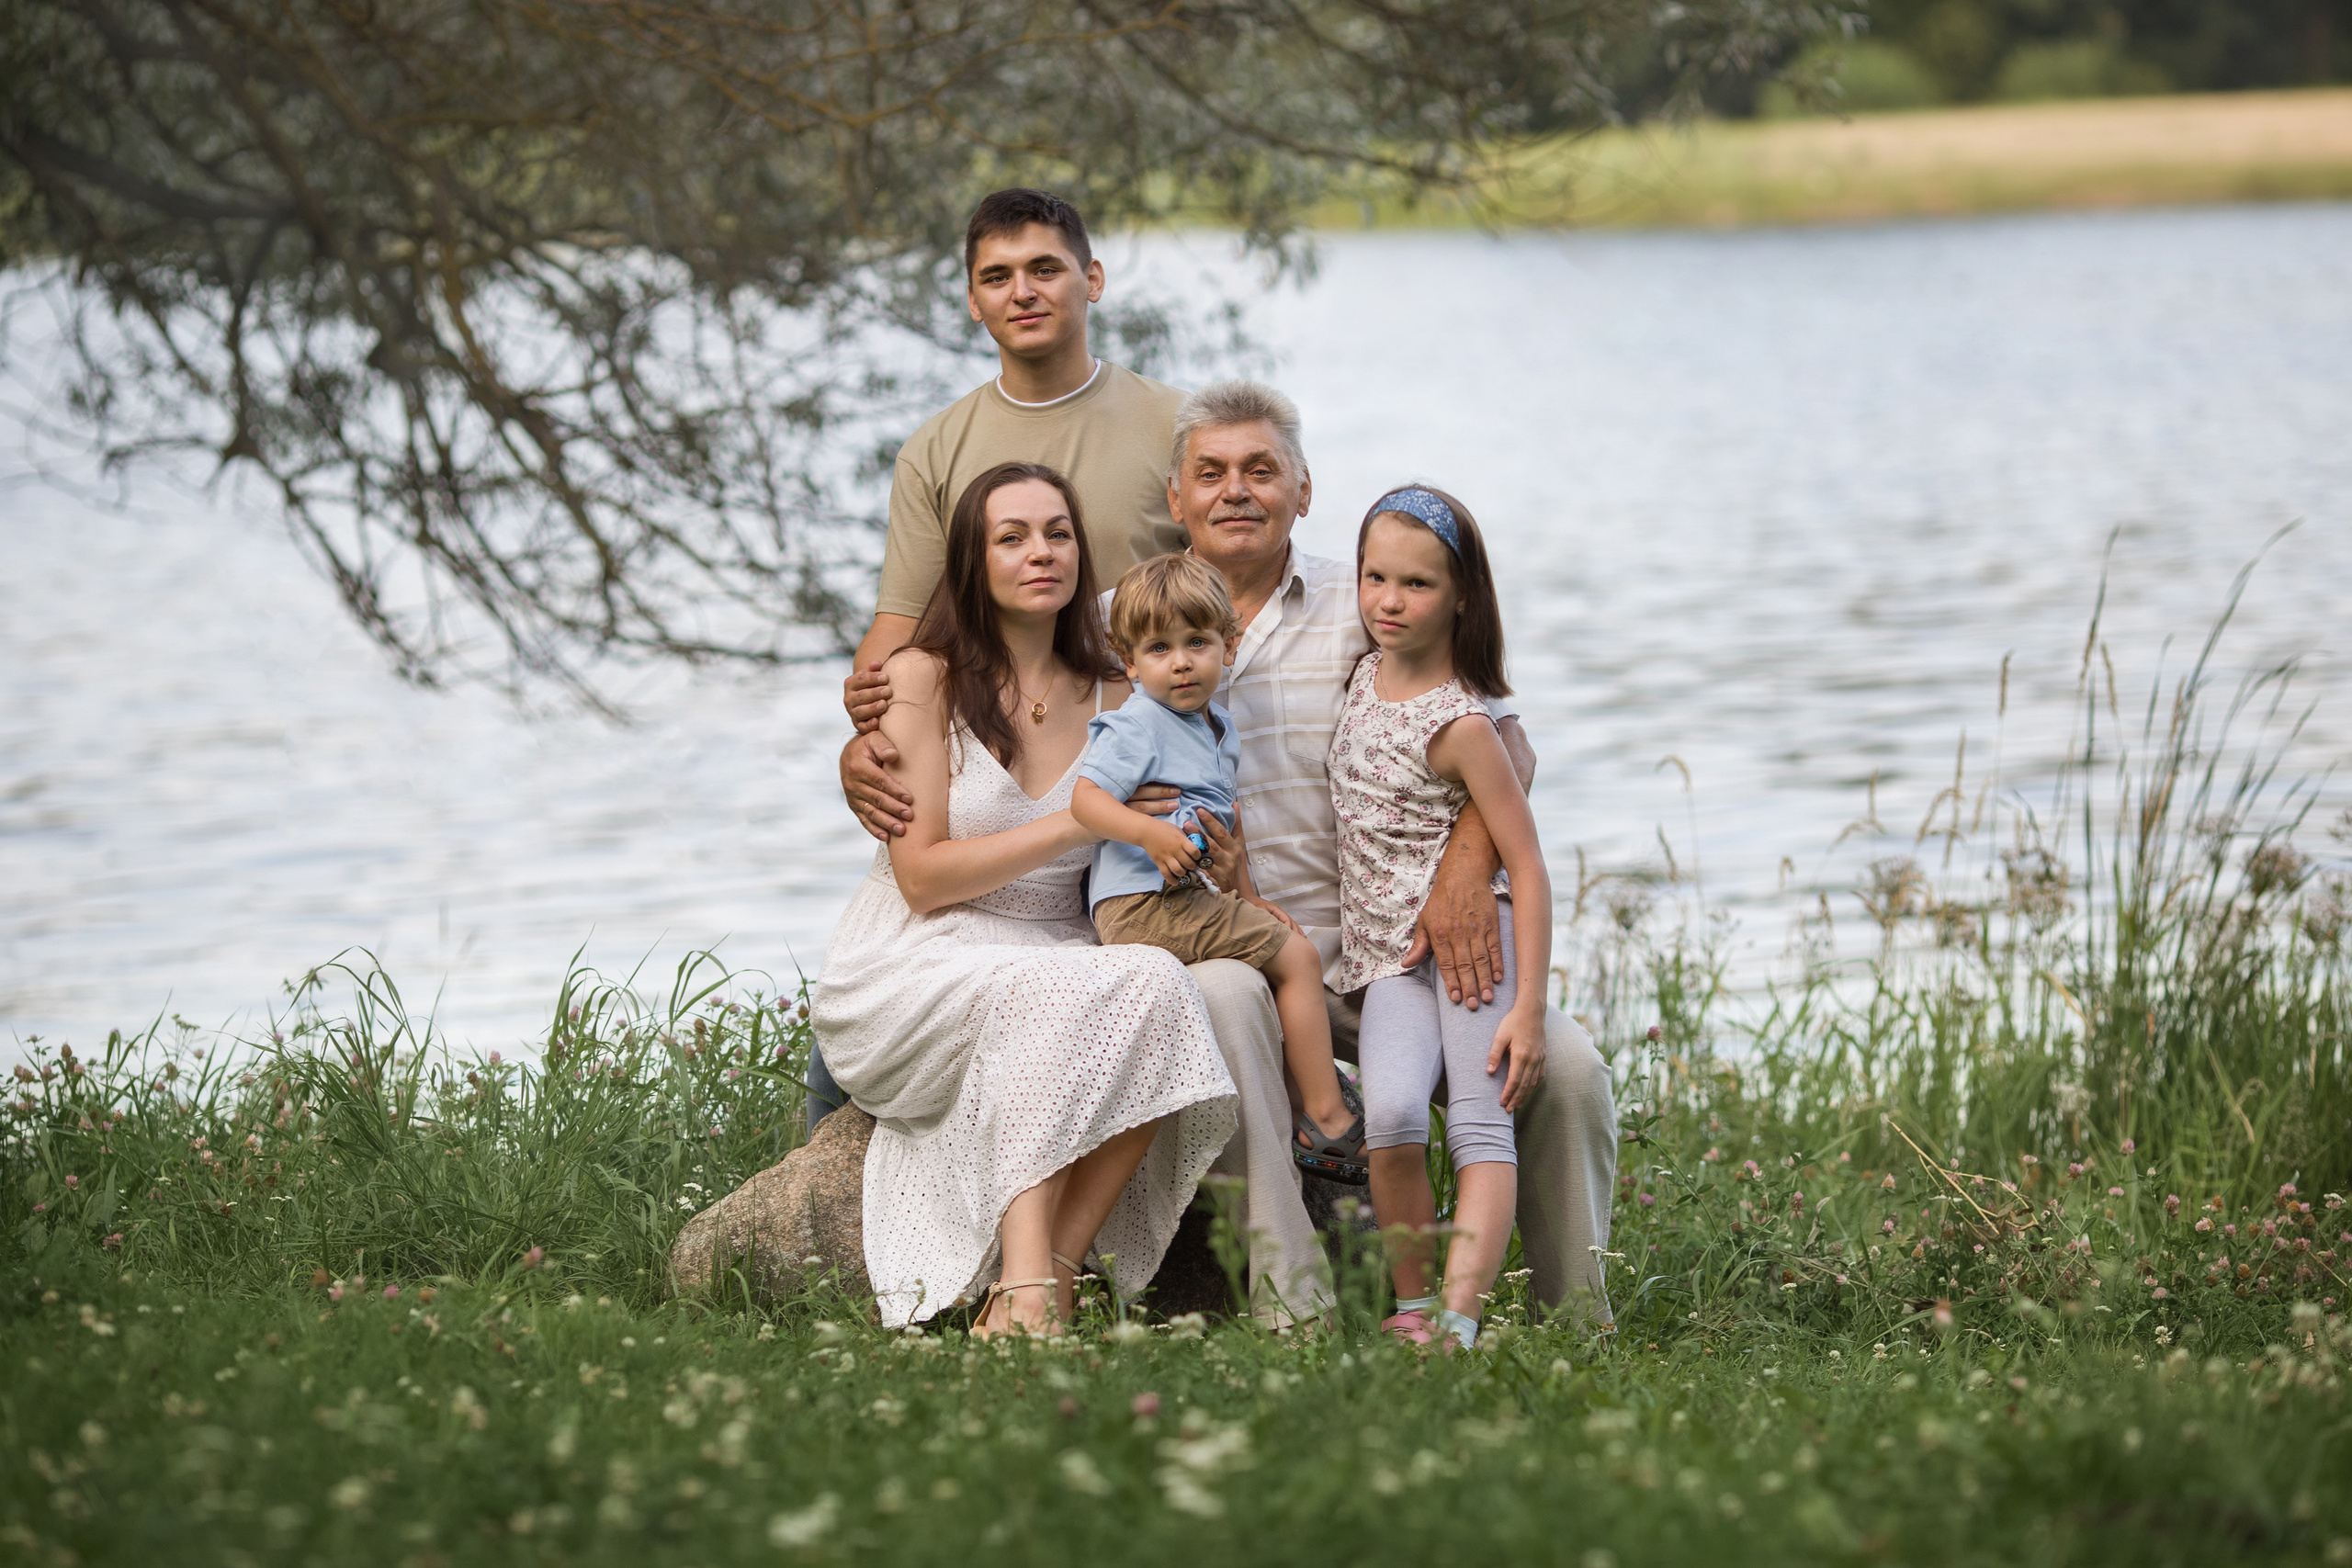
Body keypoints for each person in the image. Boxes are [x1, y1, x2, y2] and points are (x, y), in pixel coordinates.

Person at [840, 378, 1619, 1328]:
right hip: (1221, 932)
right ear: (1175, 501)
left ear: (1303, 488)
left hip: (1397, 950)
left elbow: (1502, 737)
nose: (1234, 491)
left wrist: (1466, 861)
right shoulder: (1121, 621)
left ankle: (1575, 1323)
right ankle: (1293, 1308)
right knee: (1213, 997)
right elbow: (985, 687)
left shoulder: (1369, 601)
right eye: (1209, 474)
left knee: (1567, 1070)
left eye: (1261, 471)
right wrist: (862, 747)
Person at [809, 459, 1237, 1336]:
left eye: (1058, 532)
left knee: (1162, 990)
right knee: (1042, 993)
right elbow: (922, 877)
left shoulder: (1125, 689)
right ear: (974, 560)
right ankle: (1030, 1285)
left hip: (1061, 939)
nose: (1041, 552)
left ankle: (1050, 1275)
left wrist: (1209, 852)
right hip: (917, 952)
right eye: (1012, 537)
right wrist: (1088, 821)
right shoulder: (921, 678)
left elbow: (1188, 812)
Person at [1330, 485, 1553, 1350]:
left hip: (1475, 954)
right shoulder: (1361, 673)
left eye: (1417, 585)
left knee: (1475, 1120)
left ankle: (1458, 1319)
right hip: (1388, 959)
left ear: (1461, 594)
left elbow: (1526, 864)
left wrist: (1528, 1006)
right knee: (1387, 1116)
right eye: (1374, 577)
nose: (1389, 601)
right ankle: (1413, 1304)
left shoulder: (1461, 723)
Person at [1070, 553, 1368, 1186]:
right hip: (1141, 905)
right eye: (1158, 647)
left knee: (1280, 943)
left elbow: (1228, 822)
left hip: (1178, 898)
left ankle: (1310, 1098)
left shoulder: (1216, 726)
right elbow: (1086, 800)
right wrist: (1146, 830)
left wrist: (1248, 895)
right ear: (1130, 662)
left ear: (1228, 645)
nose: (1180, 661)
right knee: (1297, 957)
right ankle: (1326, 1115)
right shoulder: (1137, 724)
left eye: (1197, 642)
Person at [844, 187, 1187, 718]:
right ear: (974, 301)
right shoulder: (932, 451)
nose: (1022, 292)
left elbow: (1238, 594)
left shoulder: (1182, 428)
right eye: (997, 277)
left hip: (1150, 733)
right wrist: (869, 737)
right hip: (996, 738)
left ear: (1092, 279)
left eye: (1045, 269)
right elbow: (900, 624)